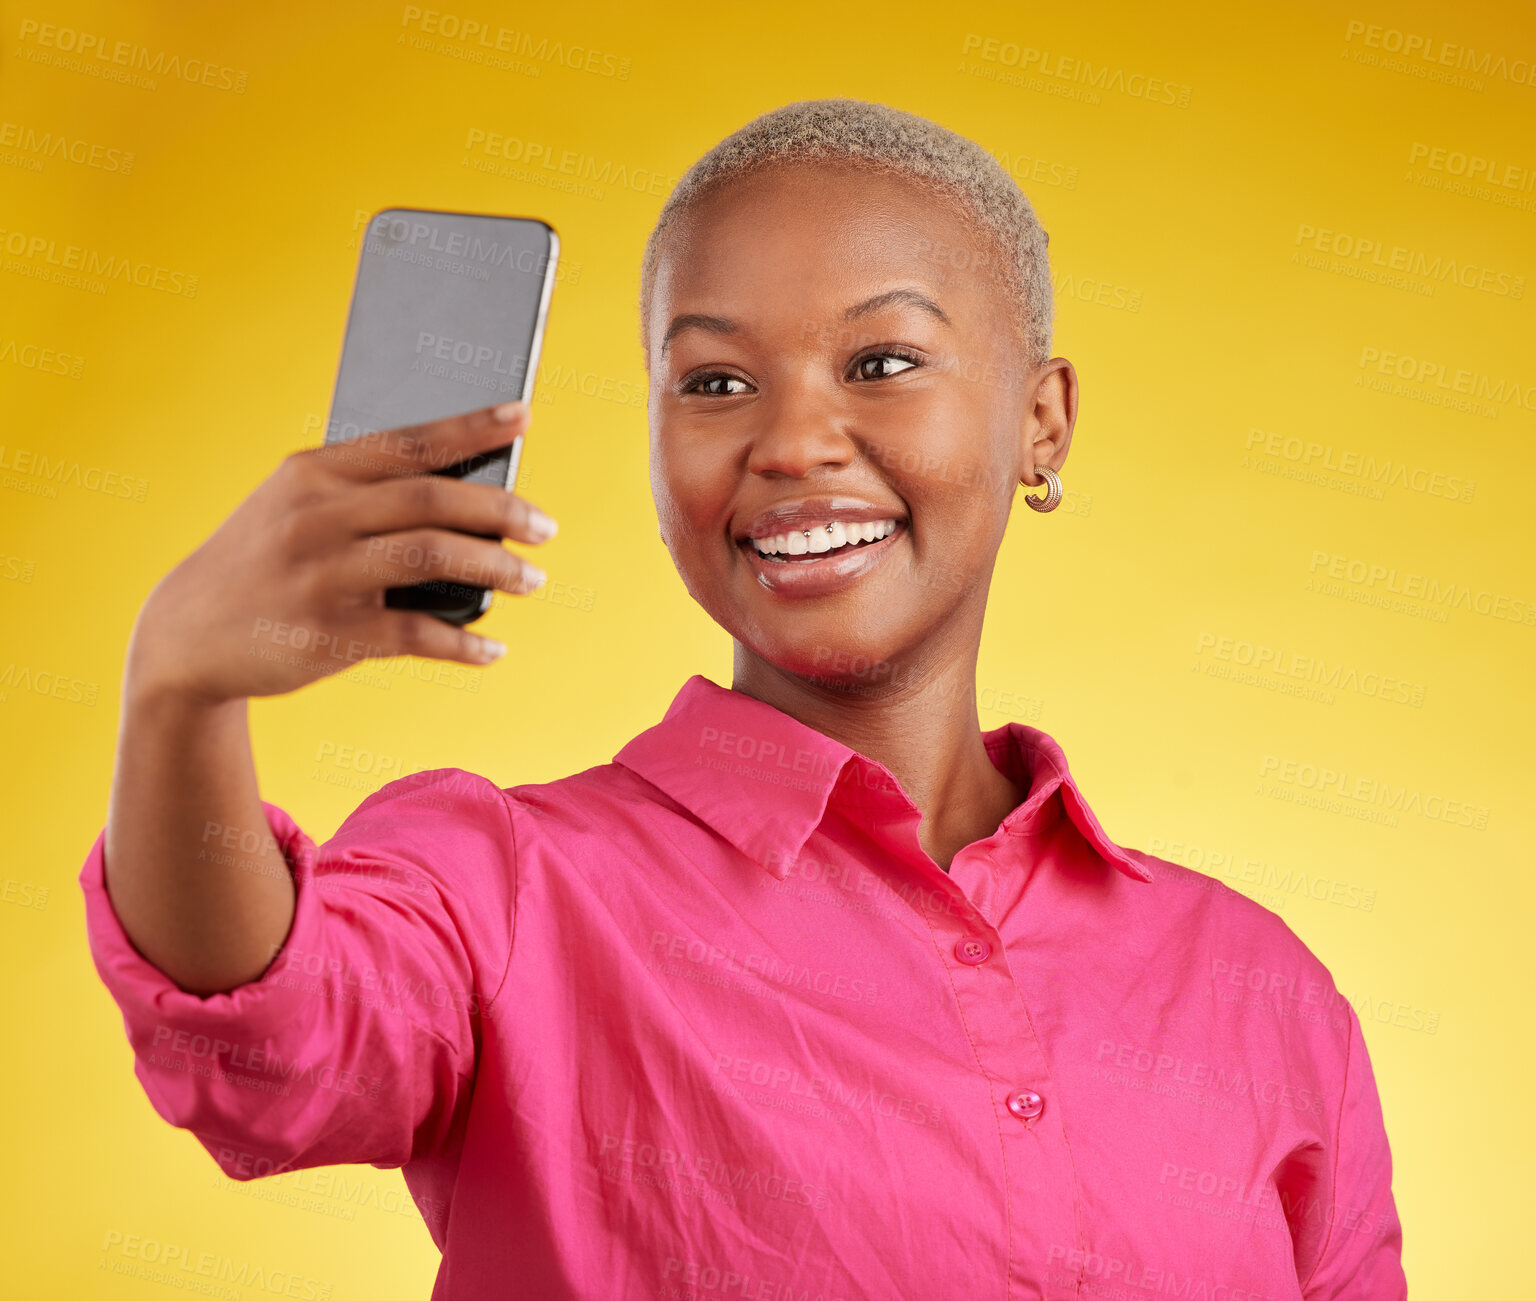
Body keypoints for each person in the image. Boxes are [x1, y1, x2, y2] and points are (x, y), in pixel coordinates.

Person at [80, 99, 1407, 1299]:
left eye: (881, 362)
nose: (790, 442)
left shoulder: (1261, 991)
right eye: (716, 382)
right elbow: (268, 1042)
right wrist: (181, 701)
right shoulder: (509, 890)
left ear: (1041, 422)